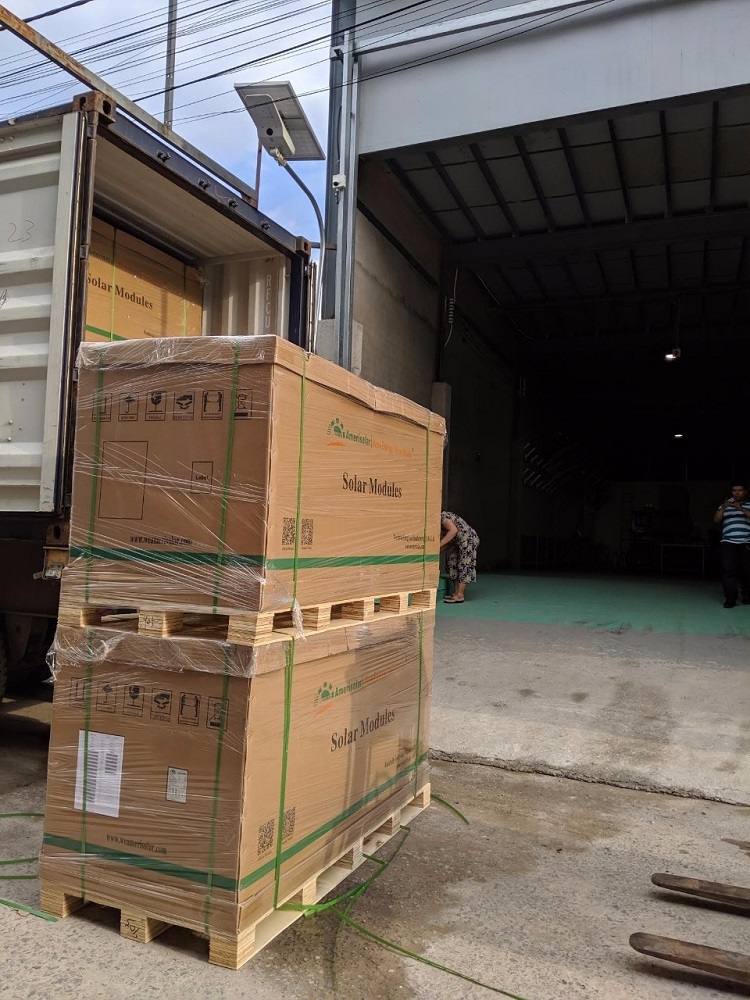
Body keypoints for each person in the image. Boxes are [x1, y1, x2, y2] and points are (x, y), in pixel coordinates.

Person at [713, 482, 750, 608]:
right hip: (728, 542)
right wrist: (724, 507)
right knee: (729, 571)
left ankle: (747, 596)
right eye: (734, 490)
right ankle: (730, 599)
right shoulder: (725, 505)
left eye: (740, 490)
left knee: (747, 571)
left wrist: (741, 508)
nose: (737, 493)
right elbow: (716, 519)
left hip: (746, 542)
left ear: (745, 492)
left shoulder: (749, 505)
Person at [440, 511, 479, 604]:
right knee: (453, 562)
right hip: (458, 541)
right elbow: (449, 542)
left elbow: (453, 531)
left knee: (465, 564)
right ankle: (456, 593)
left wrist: (439, 544)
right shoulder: (439, 525)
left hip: (468, 539)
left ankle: (460, 595)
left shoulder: (442, 517)